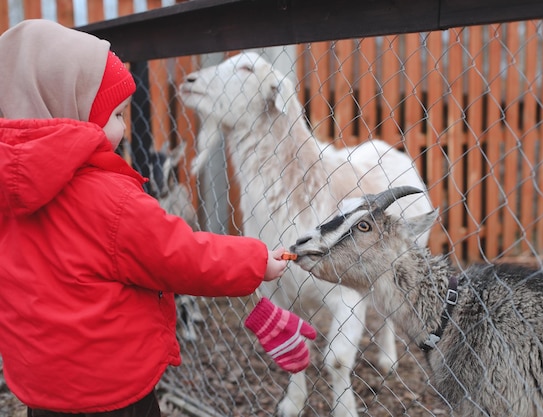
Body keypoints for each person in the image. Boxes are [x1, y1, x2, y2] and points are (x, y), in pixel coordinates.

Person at [0, 19, 314, 417]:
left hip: (42, 391)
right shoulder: (109, 200)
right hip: (113, 392)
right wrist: (255, 262)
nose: (123, 127)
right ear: (71, 112)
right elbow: (181, 254)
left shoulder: (10, 188)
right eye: (116, 115)